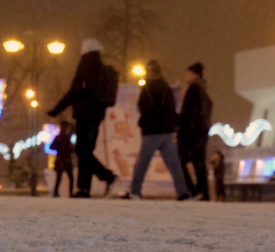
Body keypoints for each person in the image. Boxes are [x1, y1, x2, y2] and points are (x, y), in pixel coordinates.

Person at [47, 38, 119, 198]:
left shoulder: (86, 65)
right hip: (97, 115)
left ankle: (105, 177)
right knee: (86, 151)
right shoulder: (101, 67)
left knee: (82, 151)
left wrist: (57, 109)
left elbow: (75, 90)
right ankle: (85, 188)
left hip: (85, 115)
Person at [121, 60, 189, 200]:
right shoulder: (165, 87)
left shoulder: (149, 87)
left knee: (142, 163)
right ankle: (182, 191)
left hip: (152, 131)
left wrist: (143, 122)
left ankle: (135, 190)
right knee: (173, 164)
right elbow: (171, 108)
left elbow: (144, 107)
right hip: (167, 131)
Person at [178, 62, 212, 201]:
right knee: (198, 162)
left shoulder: (193, 90)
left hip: (192, 133)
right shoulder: (203, 91)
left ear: (194, 74)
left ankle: (193, 191)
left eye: (187, 72)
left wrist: (181, 133)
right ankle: (203, 193)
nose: (185, 75)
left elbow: (188, 114)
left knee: (180, 160)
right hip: (202, 131)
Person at [51, 121, 75, 198]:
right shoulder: (60, 138)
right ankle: (57, 193)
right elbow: (52, 146)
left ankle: (67, 193)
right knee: (60, 178)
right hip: (62, 160)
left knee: (66, 178)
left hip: (64, 160)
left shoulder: (64, 137)